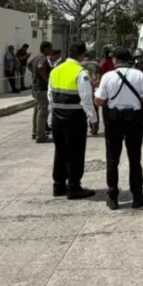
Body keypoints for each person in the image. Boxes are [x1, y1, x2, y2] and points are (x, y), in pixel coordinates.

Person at [95, 46, 143, 210]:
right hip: (134, 121)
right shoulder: (138, 75)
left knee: (112, 159)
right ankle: (137, 196)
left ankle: (113, 197)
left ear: (115, 60)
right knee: (135, 159)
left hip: (114, 122)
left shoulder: (108, 76)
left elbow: (99, 101)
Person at [47, 41, 98, 200]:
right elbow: (86, 99)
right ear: (82, 55)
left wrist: (53, 113)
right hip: (75, 118)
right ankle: (74, 187)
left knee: (60, 152)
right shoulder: (81, 73)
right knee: (75, 152)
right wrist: (93, 118)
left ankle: (58, 186)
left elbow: (50, 95)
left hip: (57, 117)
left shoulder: (55, 70)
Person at [29, 41, 53, 142]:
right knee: (42, 111)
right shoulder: (43, 58)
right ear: (46, 48)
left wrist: (35, 75)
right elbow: (40, 67)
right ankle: (40, 135)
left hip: (35, 88)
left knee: (37, 110)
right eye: (50, 48)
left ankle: (35, 132)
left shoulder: (36, 57)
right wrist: (46, 79)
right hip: (41, 88)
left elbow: (29, 64)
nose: (51, 50)